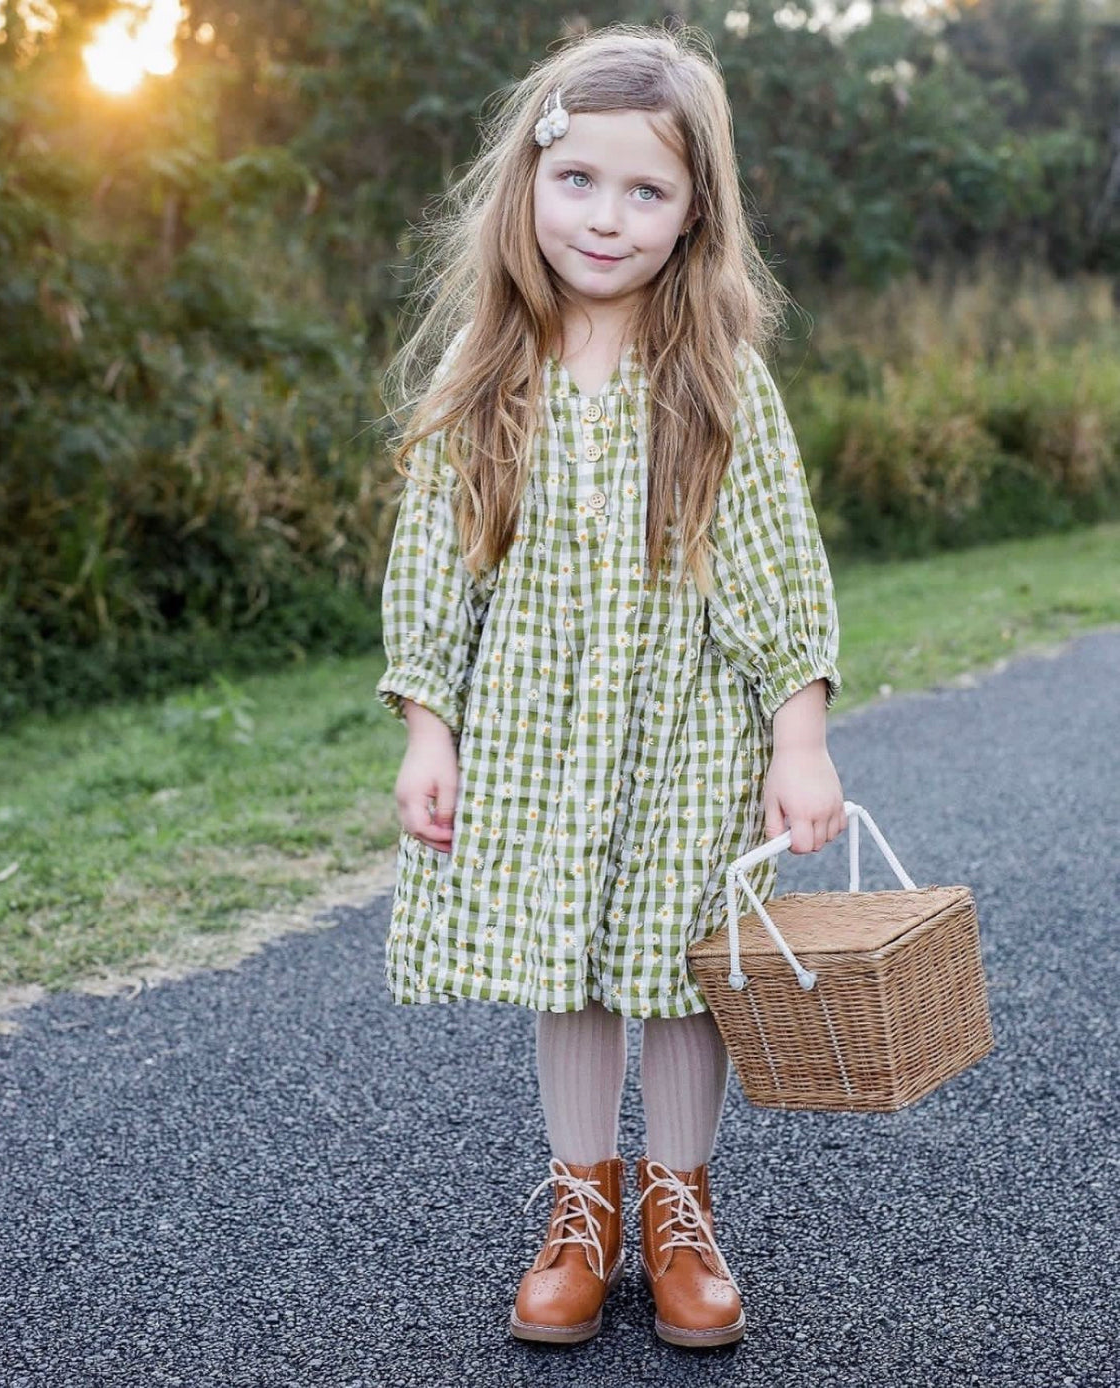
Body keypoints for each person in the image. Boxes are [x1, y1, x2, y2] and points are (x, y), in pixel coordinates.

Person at [374, 22, 846, 1350]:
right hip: (534, 729)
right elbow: (436, 569)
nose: (607, 215)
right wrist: (429, 728)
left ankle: (677, 1206)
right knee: (570, 962)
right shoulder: (488, 374)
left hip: (688, 724)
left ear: (695, 213)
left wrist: (795, 736)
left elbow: (773, 565)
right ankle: (581, 1203)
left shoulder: (710, 374)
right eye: (579, 180)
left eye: (649, 192)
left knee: (684, 968)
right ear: (527, 184)